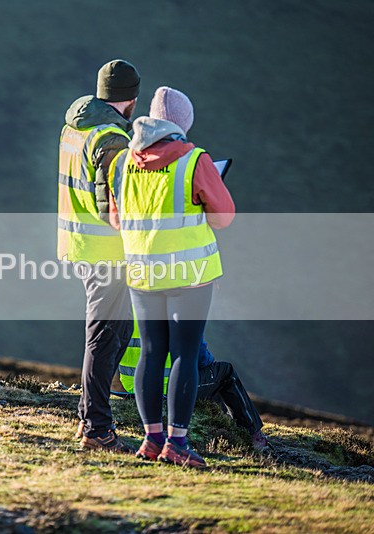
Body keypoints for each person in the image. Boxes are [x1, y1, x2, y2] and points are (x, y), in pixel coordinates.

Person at [107, 86, 235, 467]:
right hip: (189, 275)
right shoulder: (195, 160)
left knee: (150, 350)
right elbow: (224, 217)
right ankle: (177, 444)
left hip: (142, 272)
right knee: (184, 353)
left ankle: (151, 439)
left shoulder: (122, 162)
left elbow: (116, 220)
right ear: (182, 125)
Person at [57, 59, 141, 453]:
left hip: (78, 244)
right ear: (132, 98)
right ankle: (96, 429)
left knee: (112, 334)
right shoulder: (111, 140)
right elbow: (114, 212)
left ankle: (90, 421)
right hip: (107, 253)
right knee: (104, 339)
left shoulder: (74, 128)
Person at [117, 319, 270, 451]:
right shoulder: (174, 311)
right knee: (224, 372)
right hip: (171, 388)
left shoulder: (128, 311)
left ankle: (222, 421)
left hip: (133, 387)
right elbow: (201, 358)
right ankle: (253, 434)